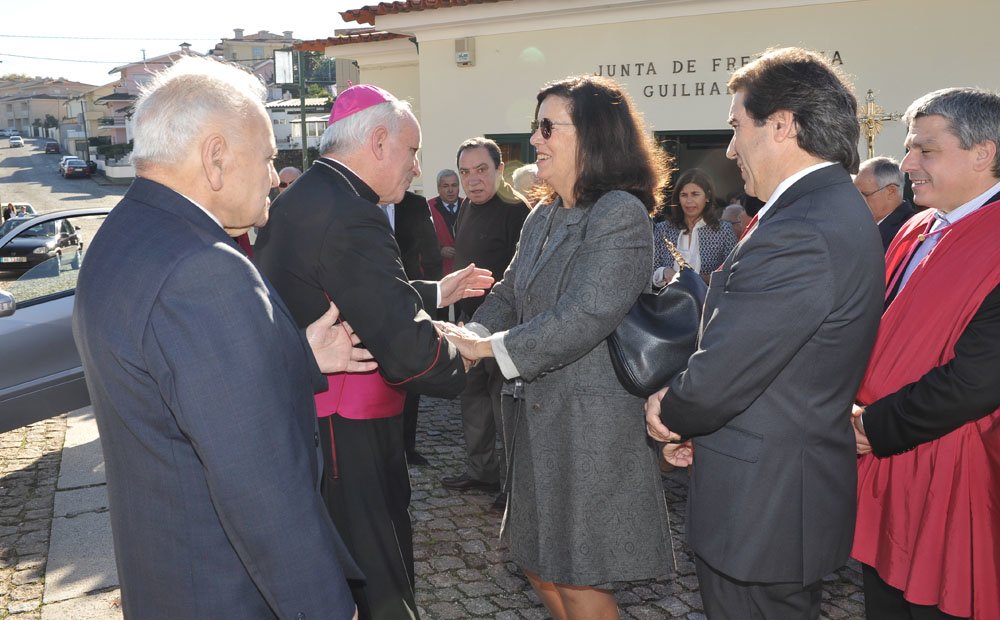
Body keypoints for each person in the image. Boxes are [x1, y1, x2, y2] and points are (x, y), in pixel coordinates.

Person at [71, 56, 373, 620]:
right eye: (268, 158)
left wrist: (297, 354)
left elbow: (182, 388)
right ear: (215, 159)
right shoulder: (205, 270)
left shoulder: (121, 235)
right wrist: (327, 608)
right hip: (226, 592)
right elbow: (259, 484)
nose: (274, 176)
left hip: (167, 579)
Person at [644, 47, 884, 620]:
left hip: (764, 507)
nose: (730, 149)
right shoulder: (819, 208)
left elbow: (729, 366)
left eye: (736, 127)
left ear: (781, 125)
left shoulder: (803, 226)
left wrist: (671, 411)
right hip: (772, 492)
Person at [254, 83, 493, 620]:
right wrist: (466, 355)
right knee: (376, 575)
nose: (416, 168)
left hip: (322, 420)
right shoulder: (351, 212)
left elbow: (349, 290)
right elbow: (406, 349)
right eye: (412, 151)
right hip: (349, 428)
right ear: (379, 142)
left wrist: (434, 292)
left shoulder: (310, 195)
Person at [438, 75, 673, 620]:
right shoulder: (543, 214)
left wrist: (489, 349)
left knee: (578, 574)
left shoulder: (619, 212)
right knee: (538, 564)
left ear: (593, 134)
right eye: (535, 126)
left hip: (589, 427)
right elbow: (509, 292)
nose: (535, 140)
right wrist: (473, 334)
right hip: (534, 418)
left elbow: (585, 315)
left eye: (548, 127)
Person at [851, 87, 1000, 620]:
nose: (908, 163)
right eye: (909, 148)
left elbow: (979, 380)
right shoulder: (916, 227)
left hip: (955, 473)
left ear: (983, 153)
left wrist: (873, 426)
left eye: (925, 150)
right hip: (889, 464)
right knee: (885, 599)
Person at [440, 138, 530, 514]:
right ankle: (482, 471)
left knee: (503, 405)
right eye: (465, 172)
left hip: (503, 329)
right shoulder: (466, 208)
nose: (472, 180)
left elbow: (523, 280)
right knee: (473, 399)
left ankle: (513, 487)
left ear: (499, 169)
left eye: (481, 170)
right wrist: (461, 315)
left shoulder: (519, 211)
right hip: (469, 324)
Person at [393, 189, 444, 467]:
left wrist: (431, 303)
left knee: (411, 375)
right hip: (370, 300)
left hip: (412, 300)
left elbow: (432, 253)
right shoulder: (360, 199)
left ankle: (407, 446)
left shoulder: (414, 204)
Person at [652, 168, 737, 284]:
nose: (689, 201)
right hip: (668, 295)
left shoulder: (724, 230)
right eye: (684, 195)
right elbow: (648, 270)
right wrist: (663, 272)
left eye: (695, 194)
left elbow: (733, 273)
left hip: (708, 295)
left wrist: (700, 280)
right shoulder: (663, 230)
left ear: (707, 197)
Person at [853, 156, 916, 251]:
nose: (857, 201)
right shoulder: (860, 224)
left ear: (891, 191)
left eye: (865, 194)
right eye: (855, 194)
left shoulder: (910, 231)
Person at [427, 169, 462, 320]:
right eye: (445, 186)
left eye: (454, 185)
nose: (450, 190)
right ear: (438, 188)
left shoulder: (469, 205)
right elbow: (421, 240)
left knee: (464, 314)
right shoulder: (427, 207)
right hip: (438, 271)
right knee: (440, 316)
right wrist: (439, 250)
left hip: (463, 269)